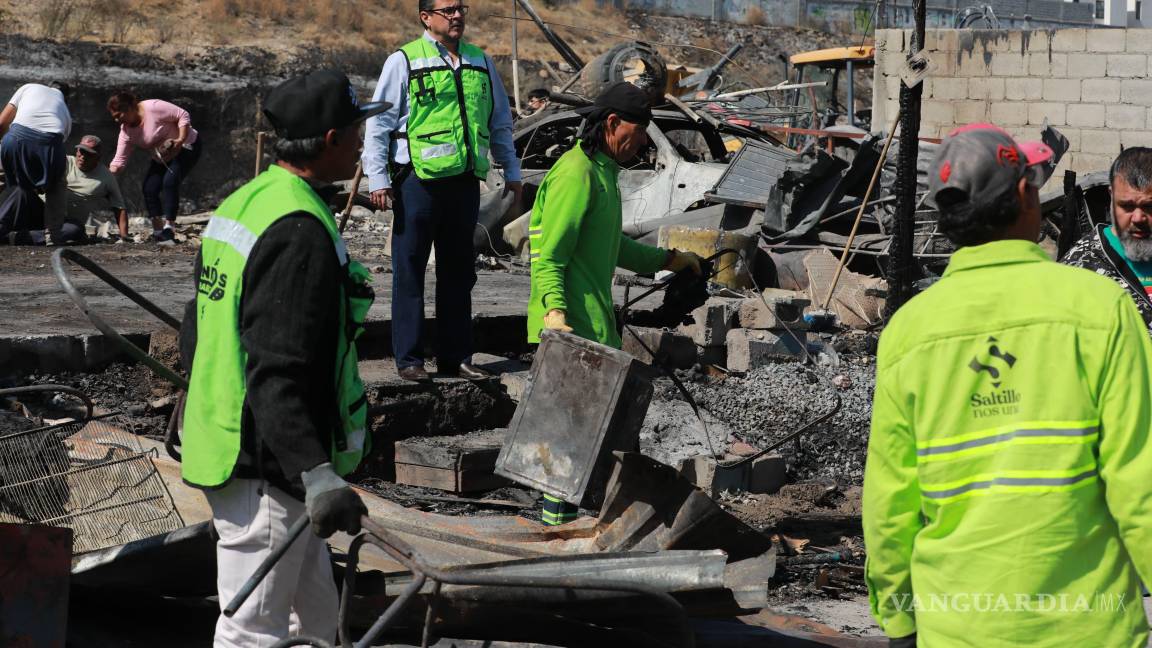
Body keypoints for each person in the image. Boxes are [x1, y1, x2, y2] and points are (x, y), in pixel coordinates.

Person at [864, 123, 1152, 648]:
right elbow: (1141, 480)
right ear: (1025, 194)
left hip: (958, 627)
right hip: (1089, 627)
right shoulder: (1099, 308)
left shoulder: (909, 331)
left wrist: (900, 619)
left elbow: (889, 501)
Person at [179, 70, 388, 647]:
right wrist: (314, 472)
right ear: (330, 141)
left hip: (238, 441)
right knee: (251, 630)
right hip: (264, 466)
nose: (361, 144)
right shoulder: (297, 230)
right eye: (356, 132)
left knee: (317, 619)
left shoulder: (248, 201)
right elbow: (277, 366)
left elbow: (197, 324)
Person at [528, 82, 702, 525]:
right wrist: (555, 314)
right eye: (639, 130)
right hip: (570, 326)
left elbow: (614, 248)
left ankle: (565, 521)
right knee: (566, 436)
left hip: (592, 321)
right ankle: (554, 533)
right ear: (611, 124)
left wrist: (669, 259)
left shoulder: (602, 172)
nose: (643, 140)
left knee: (584, 436)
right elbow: (550, 254)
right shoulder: (576, 174)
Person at [362, 0, 522, 382]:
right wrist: (378, 178)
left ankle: (456, 357)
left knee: (458, 272)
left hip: (465, 182)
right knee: (410, 268)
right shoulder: (404, 60)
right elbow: (379, 123)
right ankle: (410, 360)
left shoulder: (480, 62)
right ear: (426, 17)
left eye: (461, 8)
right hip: (417, 179)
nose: (457, 15)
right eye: (448, 9)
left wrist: (511, 170)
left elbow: (500, 122)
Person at [1062, 146, 1152, 333]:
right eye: (1126, 206)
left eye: (1149, 206)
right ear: (1111, 196)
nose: (1138, 218)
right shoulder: (1081, 265)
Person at [107, 91, 202, 245]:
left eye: (119, 115)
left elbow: (183, 114)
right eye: (114, 117)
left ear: (130, 108)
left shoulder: (153, 107)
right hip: (162, 156)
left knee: (169, 183)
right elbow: (119, 160)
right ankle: (158, 231)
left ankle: (169, 229)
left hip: (186, 146)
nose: (118, 120)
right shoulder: (126, 131)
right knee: (149, 188)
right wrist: (106, 174)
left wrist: (180, 140)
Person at [0, 82, 71, 244]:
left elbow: (2, 123)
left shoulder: (28, 87)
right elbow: (53, 146)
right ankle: (53, 236)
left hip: (15, 138)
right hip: (50, 143)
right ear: (66, 98)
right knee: (57, 185)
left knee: (1, 176)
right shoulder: (65, 111)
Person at [60, 135, 128, 241]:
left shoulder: (106, 177)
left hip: (68, 221)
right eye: (81, 151)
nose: (83, 156)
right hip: (44, 209)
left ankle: (34, 236)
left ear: (98, 157)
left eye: (88, 154)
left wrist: (124, 236)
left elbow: (119, 207)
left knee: (74, 231)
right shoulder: (64, 162)